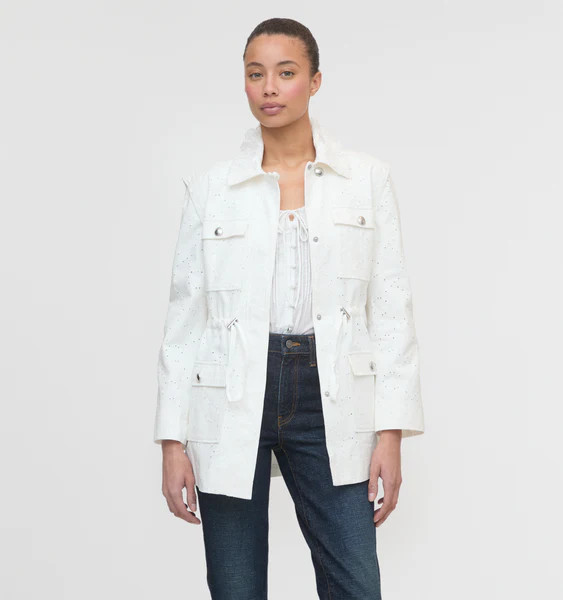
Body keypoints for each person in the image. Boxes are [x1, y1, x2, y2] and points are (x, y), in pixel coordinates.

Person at [154, 17, 425, 600]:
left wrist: (391, 433)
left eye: (286, 72)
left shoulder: (365, 180)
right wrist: (172, 442)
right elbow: (185, 322)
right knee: (236, 587)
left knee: (355, 584)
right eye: (256, 74)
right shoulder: (212, 189)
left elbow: (391, 310)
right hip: (230, 390)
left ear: (315, 80)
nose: (270, 88)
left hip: (331, 392)